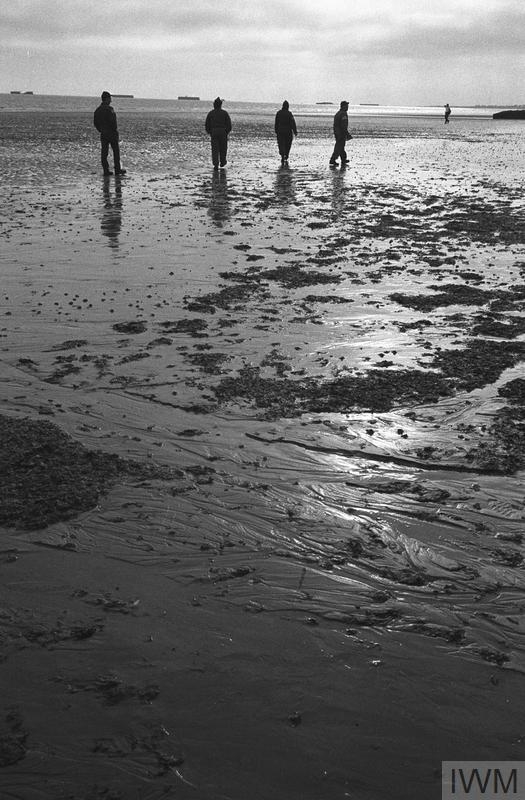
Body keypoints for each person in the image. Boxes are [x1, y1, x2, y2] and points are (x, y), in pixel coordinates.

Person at [94, 91, 126, 176]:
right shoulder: (109, 109)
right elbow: (113, 122)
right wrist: (114, 131)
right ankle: (117, 169)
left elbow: (95, 123)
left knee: (104, 153)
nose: (110, 100)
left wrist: (100, 130)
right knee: (116, 152)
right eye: (109, 99)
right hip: (111, 133)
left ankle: (106, 170)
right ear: (107, 99)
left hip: (103, 133)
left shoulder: (98, 110)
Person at [205, 97, 232, 170]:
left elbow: (207, 124)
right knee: (223, 148)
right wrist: (227, 132)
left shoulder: (211, 113)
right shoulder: (224, 113)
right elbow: (229, 125)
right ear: (220, 105)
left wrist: (210, 132)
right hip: (223, 132)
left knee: (215, 149)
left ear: (214, 105)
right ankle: (223, 162)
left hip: (214, 132)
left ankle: (216, 164)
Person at [329, 100, 352, 167]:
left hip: (337, 132)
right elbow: (343, 125)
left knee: (341, 147)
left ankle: (343, 159)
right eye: (346, 106)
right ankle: (332, 159)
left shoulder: (338, 113)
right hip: (341, 133)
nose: (347, 107)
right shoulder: (343, 114)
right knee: (339, 147)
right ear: (343, 106)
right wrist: (347, 133)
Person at [274, 100, 297, 165]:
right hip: (288, 132)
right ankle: (286, 155)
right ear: (287, 106)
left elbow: (276, 123)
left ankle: (282, 155)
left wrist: (276, 130)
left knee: (281, 144)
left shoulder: (278, 113)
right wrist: (295, 131)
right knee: (288, 144)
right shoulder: (289, 113)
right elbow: (293, 123)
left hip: (280, 131)